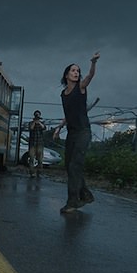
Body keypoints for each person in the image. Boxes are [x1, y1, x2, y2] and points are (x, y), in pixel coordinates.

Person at [53, 51, 100, 213]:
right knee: (69, 166)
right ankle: (85, 194)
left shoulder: (81, 87)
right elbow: (68, 114)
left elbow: (90, 77)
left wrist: (93, 63)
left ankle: (72, 201)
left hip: (83, 132)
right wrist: (59, 128)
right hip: (71, 133)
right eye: (73, 70)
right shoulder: (63, 94)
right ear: (66, 74)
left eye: (78, 71)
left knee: (75, 165)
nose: (76, 73)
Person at [28, 110, 46, 177]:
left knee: (40, 160)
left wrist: (39, 122)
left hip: (40, 144)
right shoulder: (30, 123)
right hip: (32, 144)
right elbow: (31, 128)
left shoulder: (42, 123)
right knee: (32, 159)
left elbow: (44, 128)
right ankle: (32, 173)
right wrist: (34, 122)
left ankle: (39, 173)